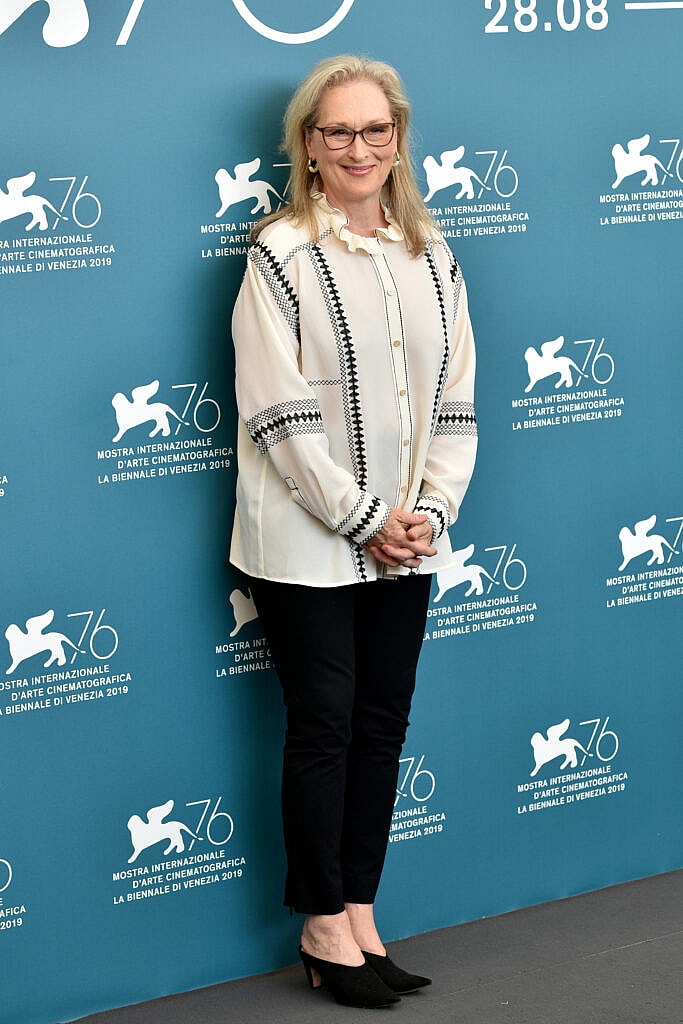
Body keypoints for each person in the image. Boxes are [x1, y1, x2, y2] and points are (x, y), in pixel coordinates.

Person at [230, 54, 477, 1008]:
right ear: (309, 145)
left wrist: (430, 514)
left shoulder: (434, 250)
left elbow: (454, 398)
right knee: (326, 725)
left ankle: (362, 910)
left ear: (399, 139)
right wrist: (368, 519)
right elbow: (278, 410)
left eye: (375, 129)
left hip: (411, 539)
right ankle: (320, 921)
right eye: (338, 130)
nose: (359, 147)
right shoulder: (281, 252)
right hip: (301, 542)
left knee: (382, 724)